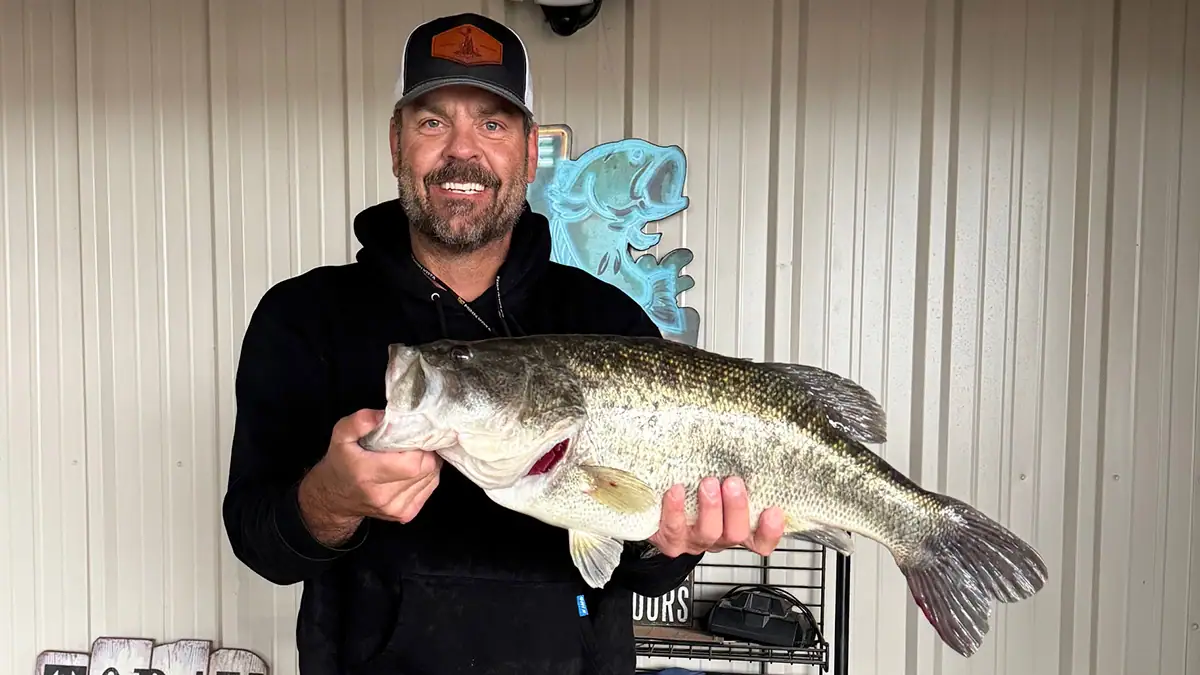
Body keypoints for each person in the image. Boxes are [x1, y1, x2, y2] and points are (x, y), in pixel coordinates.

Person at [221, 12, 785, 675]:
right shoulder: (303, 316)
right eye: (433, 122)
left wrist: (676, 543)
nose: (463, 151)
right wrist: (332, 499)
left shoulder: (606, 318)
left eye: (492, 123)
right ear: (397, 143)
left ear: (528, 148)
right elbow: (259, 539)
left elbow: (644, 573)